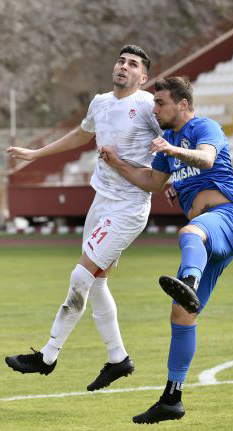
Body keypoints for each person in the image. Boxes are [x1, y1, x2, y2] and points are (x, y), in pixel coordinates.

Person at [5, 45, 162, 391]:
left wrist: (173, 177)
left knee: (81, 275)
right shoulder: (100, 102)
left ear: (143, 77)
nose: (123, 66)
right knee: (97, 280)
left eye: (133, 64)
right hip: (101, 202)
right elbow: (81, 134)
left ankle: (48, 355)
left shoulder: (149, 106)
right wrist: (36, 154)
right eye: (121, 60)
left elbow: (170, 139)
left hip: (129, 205)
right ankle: (118, 359)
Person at [98, 76, 233, 423]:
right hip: (210, 238)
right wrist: (118, 163)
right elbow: (152, 182)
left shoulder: (203, 127)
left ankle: (190, 285)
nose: (156, 109)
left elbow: (207, 159)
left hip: (226, 219)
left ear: (183, 104)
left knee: (189, 233)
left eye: (161, 103)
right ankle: (172, 398)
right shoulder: (168, 140)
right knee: (181, 317)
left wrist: (173, 151)